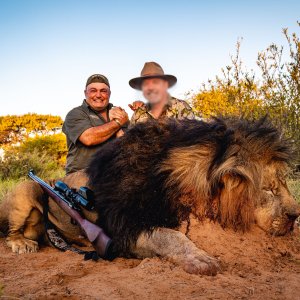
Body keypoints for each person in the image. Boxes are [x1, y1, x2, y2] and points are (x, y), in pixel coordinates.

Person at [62, 74, 129, 175]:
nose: (98, 95)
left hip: (115, 176)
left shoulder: (120, 114)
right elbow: (89, 138)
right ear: (85, 93)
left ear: (109, 94)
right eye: (93, 90)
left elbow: (128, 148)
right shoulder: (75, 114)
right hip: (82, 175)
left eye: (103, 91)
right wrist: (117, 123)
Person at [129, 62, 195, 124]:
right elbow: (130, 135)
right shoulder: (138, 114)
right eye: (146, 84)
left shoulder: (181, 107)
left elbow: (192, 134)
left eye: (155, 82)